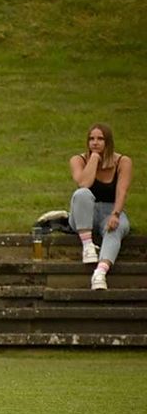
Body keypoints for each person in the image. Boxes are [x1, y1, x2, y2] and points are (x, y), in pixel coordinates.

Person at [68, 123, 133, 290]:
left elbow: (122, 191)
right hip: (84, 215)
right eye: (91, 139)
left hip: (110, 211)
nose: (95, 142)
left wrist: (116, 214)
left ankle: (100, 272)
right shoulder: (78, 160)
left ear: (108, 142)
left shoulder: (123, 162)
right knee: (82, 194)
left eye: (100, 139)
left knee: (116, 228)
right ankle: (88, 246)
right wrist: (94, 159)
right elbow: (83, 183)